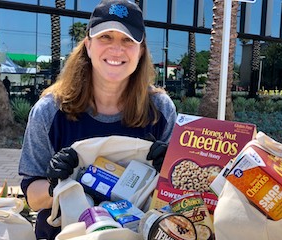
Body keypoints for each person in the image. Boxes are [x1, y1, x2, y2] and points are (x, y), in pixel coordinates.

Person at [18, 1, 177, 239]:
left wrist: (169, 173)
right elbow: (33, 198)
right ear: (88, 45)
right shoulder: (50, 110)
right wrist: (55, 184)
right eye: (105, 37)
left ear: (141, 51)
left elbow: (177, 200)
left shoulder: (161, 110)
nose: (116, 49)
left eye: (127, 40)